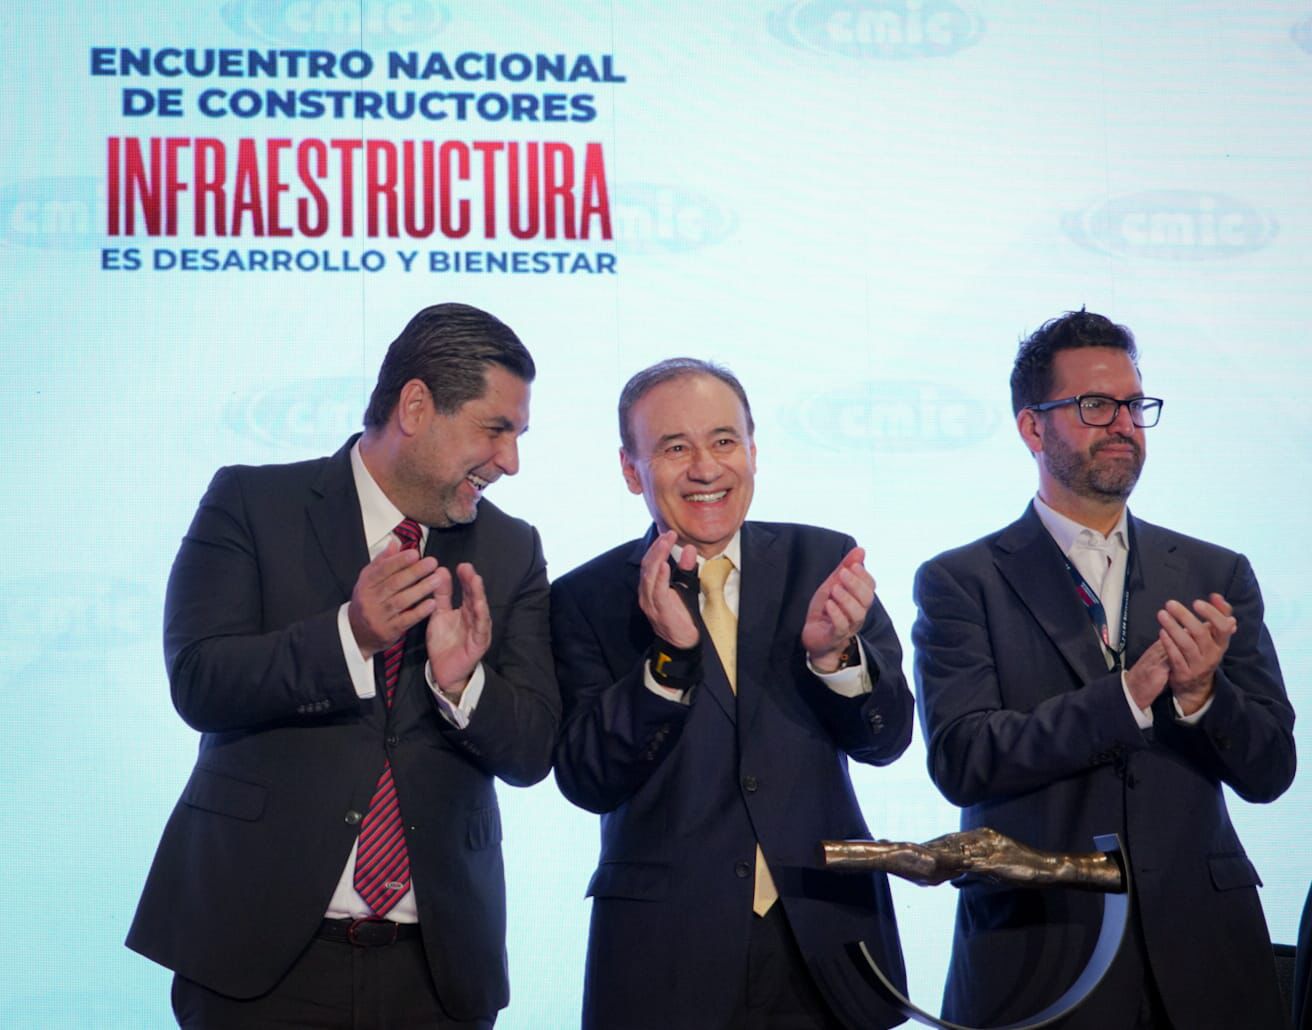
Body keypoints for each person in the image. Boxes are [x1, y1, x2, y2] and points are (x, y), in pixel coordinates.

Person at [126, 303, 560, 1029]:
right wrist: (349, 635)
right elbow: (199, 681)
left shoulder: (510, 549)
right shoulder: (252, 503)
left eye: (517, 435)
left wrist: (463, 686)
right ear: (415, 406)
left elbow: (533, 750)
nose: (510, 461)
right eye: (495, 429)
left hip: (438, 973)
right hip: (258, 962)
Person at [913, 309, 1296, 1029]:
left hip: (1207, 958)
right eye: (1095, 405)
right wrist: (1127, 696)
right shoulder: (961, 581)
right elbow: (965, 759)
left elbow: (1272, 768)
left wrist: (1203, 695)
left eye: (1134, 405)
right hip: (1042, 956)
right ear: (1033, 428)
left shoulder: (1214, 573)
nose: (1123, 423)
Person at [551, 358, 915, 1030]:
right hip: (666, 957)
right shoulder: (586, 597)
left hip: (828, 943)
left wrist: (834, 658)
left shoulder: (823, 561)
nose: (705, 468)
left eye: (723, 441)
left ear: (753, 451)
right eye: (674, 448)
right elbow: (587, 780)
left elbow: (887, 739)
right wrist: (668, 662)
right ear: (631, 470)